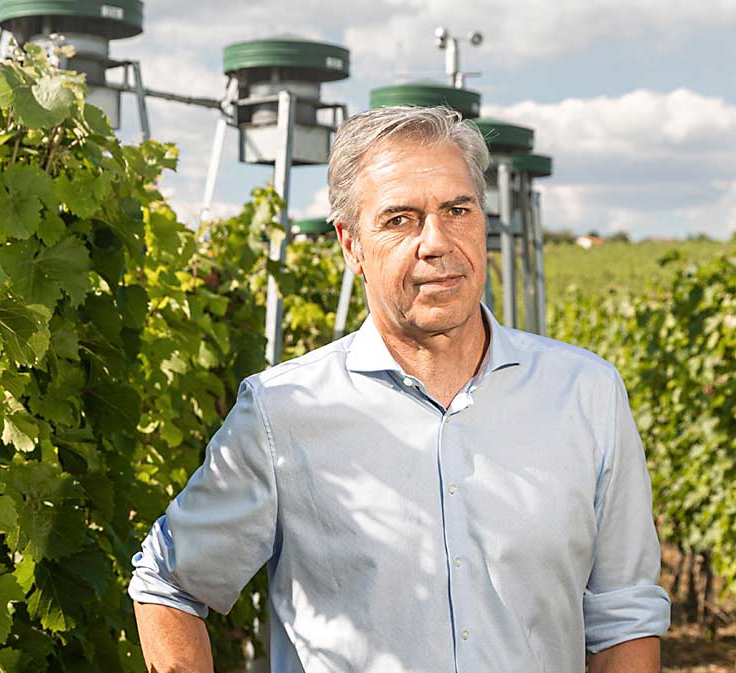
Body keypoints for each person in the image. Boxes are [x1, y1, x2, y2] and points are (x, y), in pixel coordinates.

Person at [129, 105, 671, 673]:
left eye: (457, 210)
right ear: (350, 245)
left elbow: (624, 618)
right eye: (400, 220)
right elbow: (169, 584)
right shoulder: (282, 413)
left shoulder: (586, 394)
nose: (436, 242)